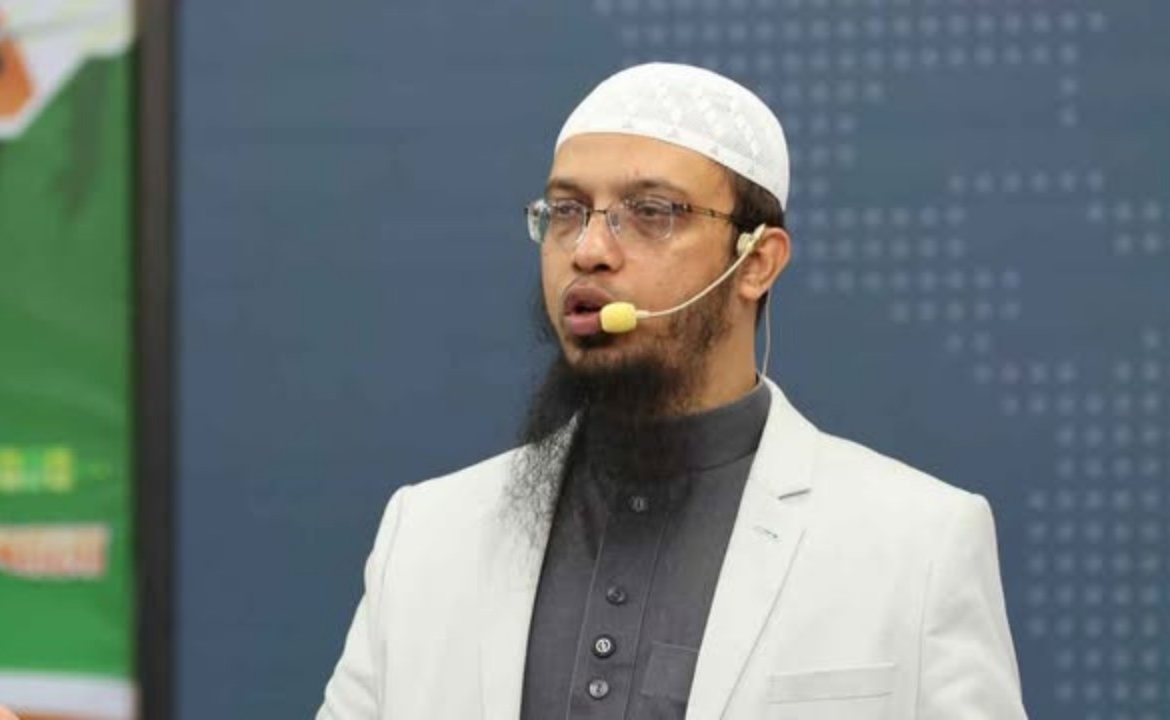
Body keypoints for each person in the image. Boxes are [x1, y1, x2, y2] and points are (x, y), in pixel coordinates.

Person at [317, 62, 1026, 719]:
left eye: (652, 212)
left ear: (757, 262)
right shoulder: (428, 536)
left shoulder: (917, 544)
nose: (589, 250)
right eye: (566, 211)